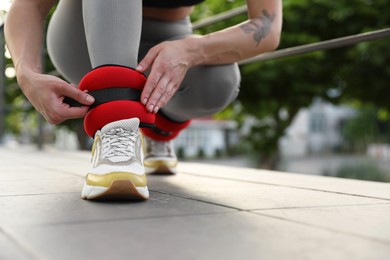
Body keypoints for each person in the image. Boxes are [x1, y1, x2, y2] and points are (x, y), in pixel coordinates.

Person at [4, 0, 282, 200]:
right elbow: (29, 5)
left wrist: (192, 49)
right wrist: (26, 74)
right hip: (84, 28)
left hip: (170, 31)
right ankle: (116, 132)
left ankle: (158, 131)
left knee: (219, 81)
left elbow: (267, 26)